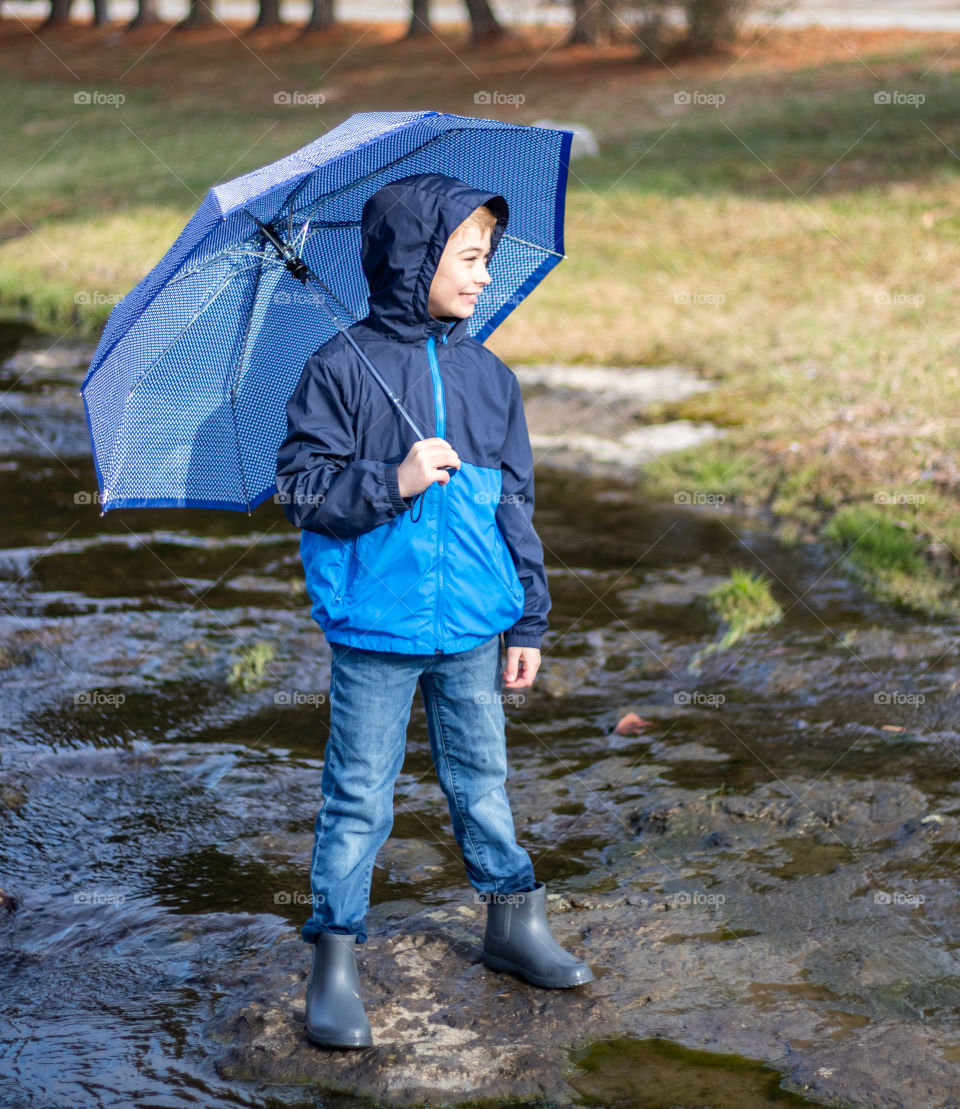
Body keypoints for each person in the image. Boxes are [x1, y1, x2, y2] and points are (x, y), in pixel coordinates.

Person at [275, 172, 593, 1051]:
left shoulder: (490, 375)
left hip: (473, 626)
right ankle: (334, 957)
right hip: (375, 629)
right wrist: (395, 479)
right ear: (414, 261)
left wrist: (528, 617)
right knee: (357, 798)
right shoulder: (339, 369)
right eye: (469, 257)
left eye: (487, 258)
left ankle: (510, 918)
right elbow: (302, 490)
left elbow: (513, 501)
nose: (485, 275)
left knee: (481, 780)